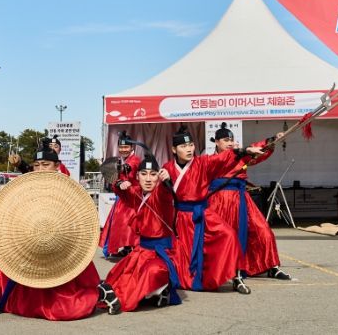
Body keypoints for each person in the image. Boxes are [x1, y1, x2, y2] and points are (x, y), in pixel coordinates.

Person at [0, 142, 121, 319]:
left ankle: (98, 293)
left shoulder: (65, 185)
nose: (40, 169)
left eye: (45, 165)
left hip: (61, 245)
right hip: (33, 243)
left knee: (63, 306)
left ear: (57, 165)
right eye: (36, 165)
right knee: (24, 302)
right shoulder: (28, 185)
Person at [160, 126, 264, 294]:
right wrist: (163, 179)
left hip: (202, 212)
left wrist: (244, 150)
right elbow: (161, 194)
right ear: (174, 149)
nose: (189, 149)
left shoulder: (203, 162)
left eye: (191, 145)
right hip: (181, 217)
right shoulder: (168, 167)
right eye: (183, 146)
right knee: (183, 254)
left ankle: (236, 276)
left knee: (228, 236)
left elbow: (222, 158)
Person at [207, 123, 291, 280]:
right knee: (227, 235)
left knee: (262, 230)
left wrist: (273, 140)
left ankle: (271, 266)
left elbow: (258, 150)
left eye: (231, 140)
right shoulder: (211, 159)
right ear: (217, 142)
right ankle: (226, 269)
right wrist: (242, 151)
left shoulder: (242, 156)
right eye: (226, 140)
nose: (230, 143)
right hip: (220, 201)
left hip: (241, 198)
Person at [102, 154, 182, 311]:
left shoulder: (160, 194)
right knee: (118, 276)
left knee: (152, 272)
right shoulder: (137, 192)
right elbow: (120, 190)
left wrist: (167, 181)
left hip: (163, 254)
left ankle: (158, 289)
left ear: (158, 176)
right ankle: (155, 293)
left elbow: (165, 194)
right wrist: (120, 183)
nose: (148, 179)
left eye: (153, 174)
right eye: (144, 174)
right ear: (137, 176)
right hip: (142, 252)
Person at [99, 131, 141, 258]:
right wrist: (118, 183)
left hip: (135, 198)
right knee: (119, 224)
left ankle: (135, 249)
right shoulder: (119, 160)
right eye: (121, 147)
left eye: (126, 147)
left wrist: (122, 168)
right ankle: (127, 248)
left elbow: (130, 167)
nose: (123, 149)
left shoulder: (135, 159)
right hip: (123, 198)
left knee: (132, 224)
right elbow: (115, 179)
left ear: (132, 147)